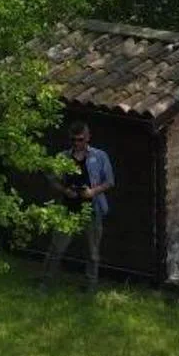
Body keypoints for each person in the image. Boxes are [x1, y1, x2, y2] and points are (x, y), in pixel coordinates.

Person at [44, 122, 114, 292]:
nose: (77, 143)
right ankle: (46, 283)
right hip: (68, 208)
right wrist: (65, 190)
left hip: (92, 209)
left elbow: (110, 181)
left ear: (88, 138)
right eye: (74, 140)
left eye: (80, 139)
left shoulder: (99, 156)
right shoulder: (63, 157)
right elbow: (52, 179)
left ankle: (91, 287)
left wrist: (92, 192)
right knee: (56, 248)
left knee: (93, 252)